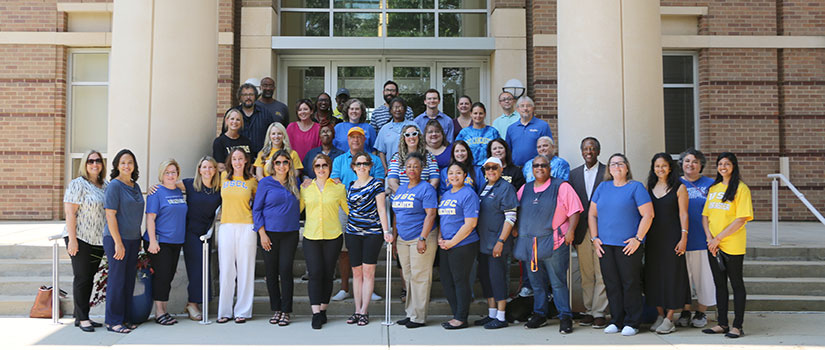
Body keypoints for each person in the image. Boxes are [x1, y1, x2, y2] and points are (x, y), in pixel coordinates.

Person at [514, 155, 582, 334]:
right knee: (537, 283)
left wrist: (571, 231)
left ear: (549, 168)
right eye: (536, 165)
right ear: (532, 168)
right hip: (531, 244)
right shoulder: (525, 189)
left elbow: (575, 210)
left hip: (554, 242)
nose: (539, 168)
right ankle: (540, 314)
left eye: (543, 165)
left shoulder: (561, 186)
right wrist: (514, 228)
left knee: (557, 282)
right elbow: (514, 209)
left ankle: (565, 316)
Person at [588, 153, 654, 336]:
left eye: (620, 163)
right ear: (609, 168)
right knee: (611, 283)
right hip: (605, 245)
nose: (616, 167)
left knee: (630, 283)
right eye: (613, 164)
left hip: (628, 245)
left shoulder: (636, 187)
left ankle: (632, 322)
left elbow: (648, 215)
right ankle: (616, 320)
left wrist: (638, 239)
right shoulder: (603, 187)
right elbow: (592, 214)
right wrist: (595, 238)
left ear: (627, 167)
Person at [330, 127, 386, 301]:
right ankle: (345, 287)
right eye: (352, 137)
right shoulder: (339, 160)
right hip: (346, 208)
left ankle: (369, 289)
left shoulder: (374, 160)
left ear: (364, 140)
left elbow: (378, 183)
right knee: (346, 250)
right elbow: (335, 181)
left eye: (359, 137)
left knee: (368, 255)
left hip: (370, 211)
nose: (355, 140)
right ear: (347, 140)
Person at [701, 152, 752, 339]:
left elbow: (741, 219)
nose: (723, 167)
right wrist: (709, 238)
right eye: (720, 164)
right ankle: (722, 323)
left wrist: (718, 239)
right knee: (719, 285)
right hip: (713, 245)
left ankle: (737, 326)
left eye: (727, 164)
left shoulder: (741, 189)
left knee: (736, 284)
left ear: (734, 166)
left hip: (732, 245)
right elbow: (705, 216)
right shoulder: (714, 188)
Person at [300, 153, 349, 329]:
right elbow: (296, 209)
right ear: (313, 169)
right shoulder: (305, 188)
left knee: (328, 274)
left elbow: (349, 210)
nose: (321, 169)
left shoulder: (339, 188)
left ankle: (323, 309)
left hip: (332, 236)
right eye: (317, 166)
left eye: (324, 166)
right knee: (315, 274)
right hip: (311, 236)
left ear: (329, 168)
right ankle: (315, 313)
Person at [254, 150, 302, 326]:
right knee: (271, 272)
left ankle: (286, 310)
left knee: (285, 270)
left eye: (285, 162)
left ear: (290, 164)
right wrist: (262, 234)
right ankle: (276, 309)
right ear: (273, 165)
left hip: (290, 233)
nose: (282, 166)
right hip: (269, 234)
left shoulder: (294, 182)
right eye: (278, 162)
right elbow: (257, 209)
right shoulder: (265, 183)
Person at [644, 153, 690, 334]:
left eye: (664, 165)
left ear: (670, 167)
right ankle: (660, 315)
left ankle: (670, 318)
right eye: (657, 166)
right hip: (653, 239)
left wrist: (684, 237)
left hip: (673, 238)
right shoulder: (649, 187)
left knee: (673, 276)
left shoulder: (679, 187)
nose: (660, 169)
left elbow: (684, 214)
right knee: (654, 276)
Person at [392, 153, 438, 328]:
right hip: (403, 239)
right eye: (409, 166)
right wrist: (396, 239)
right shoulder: (402, 189)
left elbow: (431, 214)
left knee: (420, 276)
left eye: (416, 166)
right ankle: (410, 313)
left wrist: (422, 238)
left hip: (421, 236)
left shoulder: (426, 189)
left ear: (422, 169)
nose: (412, 169)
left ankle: (418, 317)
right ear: (404, 170)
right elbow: (396, 215)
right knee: (409, 276)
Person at [344, 152, 391, 327]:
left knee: (368, 272)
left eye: (365, 163)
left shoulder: (377, 185)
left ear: (370, 166)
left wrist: (386, 230)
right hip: (353, 233)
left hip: (372, 233)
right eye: (358, 164)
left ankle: (364, 311)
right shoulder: (350, 185)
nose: (361, 166)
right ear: (353, 167)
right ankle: (357, 310)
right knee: (356, 272)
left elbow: (381, 209)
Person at [62, 150, 107, 332]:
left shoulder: (105, 185)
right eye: (90, 161)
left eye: (98, 161)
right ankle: (83, 318)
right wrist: (72, 240)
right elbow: (70, 213)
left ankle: (81, 315)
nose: (94, 164)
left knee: (89, 279)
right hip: (80, 238)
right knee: (82, 278)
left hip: (98, 240)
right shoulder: (77, 184)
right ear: (84, 164)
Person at [102, 149, 144, 334]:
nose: (127, 166)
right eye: (123, 162)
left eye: (130, 162)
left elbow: (136, 214)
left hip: (134, 239)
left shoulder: (135, 186)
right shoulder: (115, 186)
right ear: (117, 166)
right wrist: (118, 243)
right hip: (116, 239)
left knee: (128, 281)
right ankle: (113, 321)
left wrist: (139, 237)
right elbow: (110, 215)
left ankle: (125, 319)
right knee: (117, 281)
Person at [473, 157, 518, 329]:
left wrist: (501, 240)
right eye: (487, 168)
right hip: (483, 242)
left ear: (501, 170)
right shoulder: (484, 187)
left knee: (497, 278)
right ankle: (491, 314)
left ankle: (501, 316)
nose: (490, 171)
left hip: (497, 242)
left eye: (494, 168)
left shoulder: (506, 188)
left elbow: (510, 217)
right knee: (486, 278)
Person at [568, 137, 608, 328]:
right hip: (582, 231)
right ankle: (589, 310)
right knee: (586, 273)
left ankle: (599, 312)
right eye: (585, 148)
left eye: (592, 148)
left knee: (602, 272)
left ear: (598, 151)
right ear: (581, 151)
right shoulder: (573, 174)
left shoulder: (607, 171)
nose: (589, 151)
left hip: (603, 230)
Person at [143, 159, 188, 326]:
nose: (171, 175)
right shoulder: (156, 192)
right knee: (161, 277)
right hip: (160, 242)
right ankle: (159, 312)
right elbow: (150, 218)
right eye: (167, 172)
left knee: (167, 277)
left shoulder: (178, 191)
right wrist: (153, 241)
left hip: (176, 242)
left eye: (173, 172)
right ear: (162, 175)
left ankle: (164, 309)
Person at [675, 148, 716, 328]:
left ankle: (701, 312)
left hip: (702, 239)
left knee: (704, 278)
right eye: (687, 161)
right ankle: (685, 310)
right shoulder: (675, 183)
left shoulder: (711, 184)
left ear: (701, 166)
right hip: (681, 240)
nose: (690, 164)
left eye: (695, 162)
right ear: (681, 164)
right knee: (683, 279)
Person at [216, 147, 258, 324]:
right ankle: (224, 311)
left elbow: (258, 204)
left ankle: (243, 310)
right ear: (230, 161)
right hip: (226, 226)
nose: (238, 162)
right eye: (234, 159)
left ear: (246, 161)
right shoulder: (224, 177)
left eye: (241, 158)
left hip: (247, 226)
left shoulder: (252, 181)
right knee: (226, 269)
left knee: (245, 269)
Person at [437, 162, 480, 329]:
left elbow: (470, 224)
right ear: (447, 177)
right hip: (446, 244)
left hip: (463, 245)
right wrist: (441, 238)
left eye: (458, 173)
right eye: (451, 173)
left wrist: (452, 242)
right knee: (447, 281)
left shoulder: (468, 194)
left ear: (465, 175)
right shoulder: (446, 195)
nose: (454, 176)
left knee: (460, 280)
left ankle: (461, 318)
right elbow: (443, 219)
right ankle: (456, 314)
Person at [181, 156, 222, 321]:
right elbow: (168, 184)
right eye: (204, 167)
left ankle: (200, 302)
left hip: (207, 233)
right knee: (196, 268)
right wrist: (155, 187)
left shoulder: (219, 189)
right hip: (190, 233)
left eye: (211, 167)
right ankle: (192, 303)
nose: (208, 170)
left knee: (206, 268)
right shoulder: (190, 184)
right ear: (199, 169)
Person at [488, 137, 528, 297]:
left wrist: (516, 224)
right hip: (490, 227)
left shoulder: (515, 171)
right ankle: (498, 300)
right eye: (494, 149)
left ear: (506, 150)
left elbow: (520, 198)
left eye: (500, 148)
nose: (498, 151)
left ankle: (512, 296)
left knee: (508, 262)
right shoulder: (487, 171)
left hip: (510, 223)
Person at [386, 124, 440, 193]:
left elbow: (435, 180)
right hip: (401, 198)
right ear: (404, 138)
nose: (411, 137)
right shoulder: (396, 158)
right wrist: (405, 197)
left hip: (423, 196)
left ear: (419, 136)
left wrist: (422, 195)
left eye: (414, 134)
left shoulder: (429, 156)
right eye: (407, 135)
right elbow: (392, 183)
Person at [505, 96, 554, 167]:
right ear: (517, 109)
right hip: (516, 168)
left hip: (536, 168)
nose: (525, 108)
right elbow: (508, 150)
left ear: (533, 108)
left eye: (528, 106)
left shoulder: (543, 126)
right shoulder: (511, 128)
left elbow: (548, 148)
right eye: (522, 106)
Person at [375, 97, 415, 171]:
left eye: (400, 107)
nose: (397, 109)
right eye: (395, 107)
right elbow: (381, 152)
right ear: (390, 110)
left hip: (412, 169)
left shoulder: (413, 126)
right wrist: (385, 169)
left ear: (405, 110)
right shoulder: (385, 129)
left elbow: (421, 146)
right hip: (392, 170)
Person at [456, 102, 500, 167]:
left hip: (488, 168)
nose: (478, 116)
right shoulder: (464, 132)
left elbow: (499, 150)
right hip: (469, 168)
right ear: (471, 114)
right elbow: (456, 150)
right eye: (475, 113)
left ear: (485, 114)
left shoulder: (492, 132)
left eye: (481, 113)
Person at [236, 82, 273, 155]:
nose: (248, 97)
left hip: (261, 158)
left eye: (251, 94)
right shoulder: (233, 114)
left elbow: (271, 136)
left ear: (255, 96)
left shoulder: (265, 113)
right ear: (240, 97)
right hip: (239, 159)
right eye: (245, 95)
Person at [213, 108, 252, 172]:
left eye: (238, 120)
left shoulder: (246, 141)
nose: (234, 122)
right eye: (232, 119)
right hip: (228, 178)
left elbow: (251, 163)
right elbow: (220, 166)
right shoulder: (219, 142)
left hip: (246, 178)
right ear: (226, 120)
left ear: (241, 123)